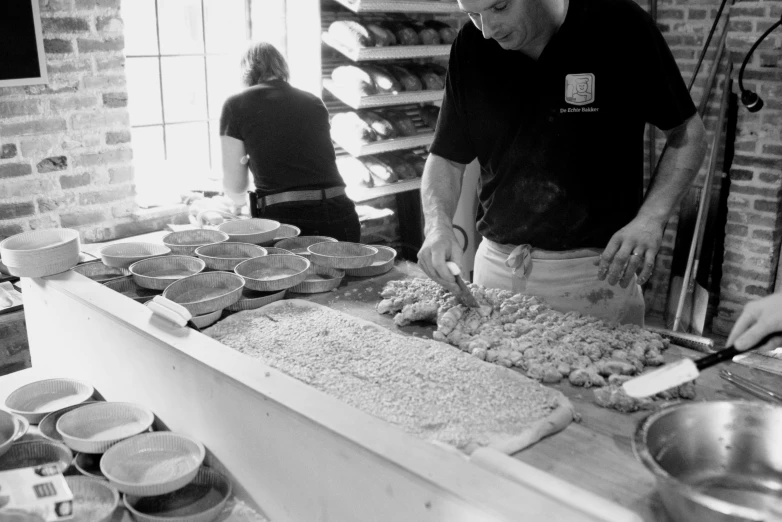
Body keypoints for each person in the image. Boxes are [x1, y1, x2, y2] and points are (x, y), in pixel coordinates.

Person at [417, 0, 708, 325]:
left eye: (499, 7)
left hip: (595, 277)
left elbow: (688, 135)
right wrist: (438, 227)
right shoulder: (471, 45)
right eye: (473, 14)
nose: (487, 30)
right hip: (497, 272)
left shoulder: (619, 25)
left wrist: (652, 218)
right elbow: (446, 156)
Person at [220, 42, 361, 242]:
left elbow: (235, 187)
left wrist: (237, 197)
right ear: (282, 68)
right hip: (340, 213)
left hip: (286, 221)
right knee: (347, 275)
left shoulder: (235, 105)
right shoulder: (313, 102)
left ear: (246, 73)